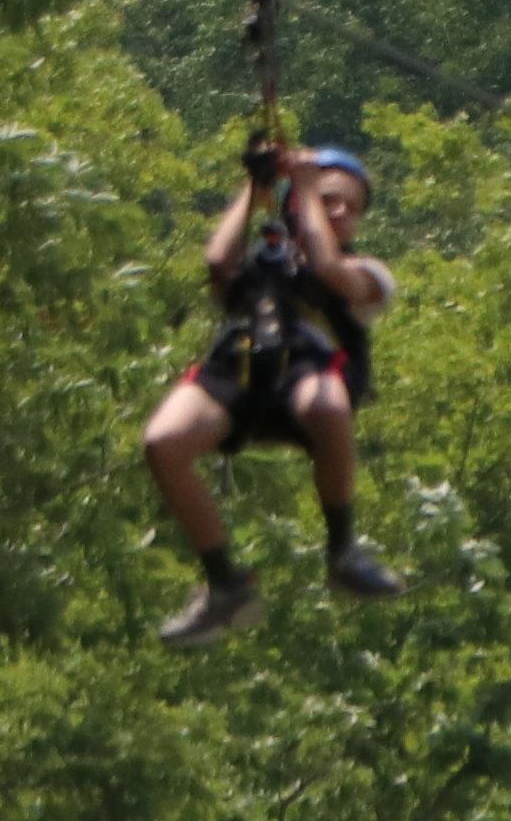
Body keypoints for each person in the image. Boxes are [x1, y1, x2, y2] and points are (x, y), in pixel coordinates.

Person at [144, 128, 404, 648]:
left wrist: (304, 187)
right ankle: (224, 585)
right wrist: (255, 190)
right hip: (241, 375)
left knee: (328, 403)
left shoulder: (368, 274)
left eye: (350, 209)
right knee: (162, 443)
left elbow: (327, 266)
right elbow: (218, 263)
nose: (338, 214)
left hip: (306, 381)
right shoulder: (264, 263)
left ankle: (343, 549)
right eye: (328, 201)